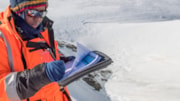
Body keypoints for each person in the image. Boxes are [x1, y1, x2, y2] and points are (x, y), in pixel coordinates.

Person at [0, 0, 74, 101]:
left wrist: (62, 61)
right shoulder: (2, 39)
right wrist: (40, 76)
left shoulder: (44, 30)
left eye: (42, 13)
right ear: (18, 11)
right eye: (32, 13)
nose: (38, 19)